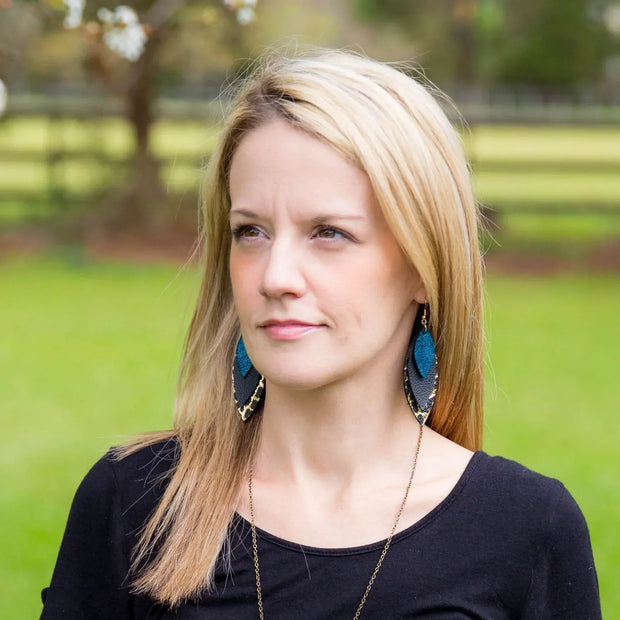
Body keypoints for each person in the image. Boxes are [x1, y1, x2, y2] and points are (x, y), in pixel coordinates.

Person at [40, 49, 601, 619]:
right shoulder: (137, 502)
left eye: (328, 233)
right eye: (251, 230)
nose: (276, 276)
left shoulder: (526, 529)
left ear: (424, 268)